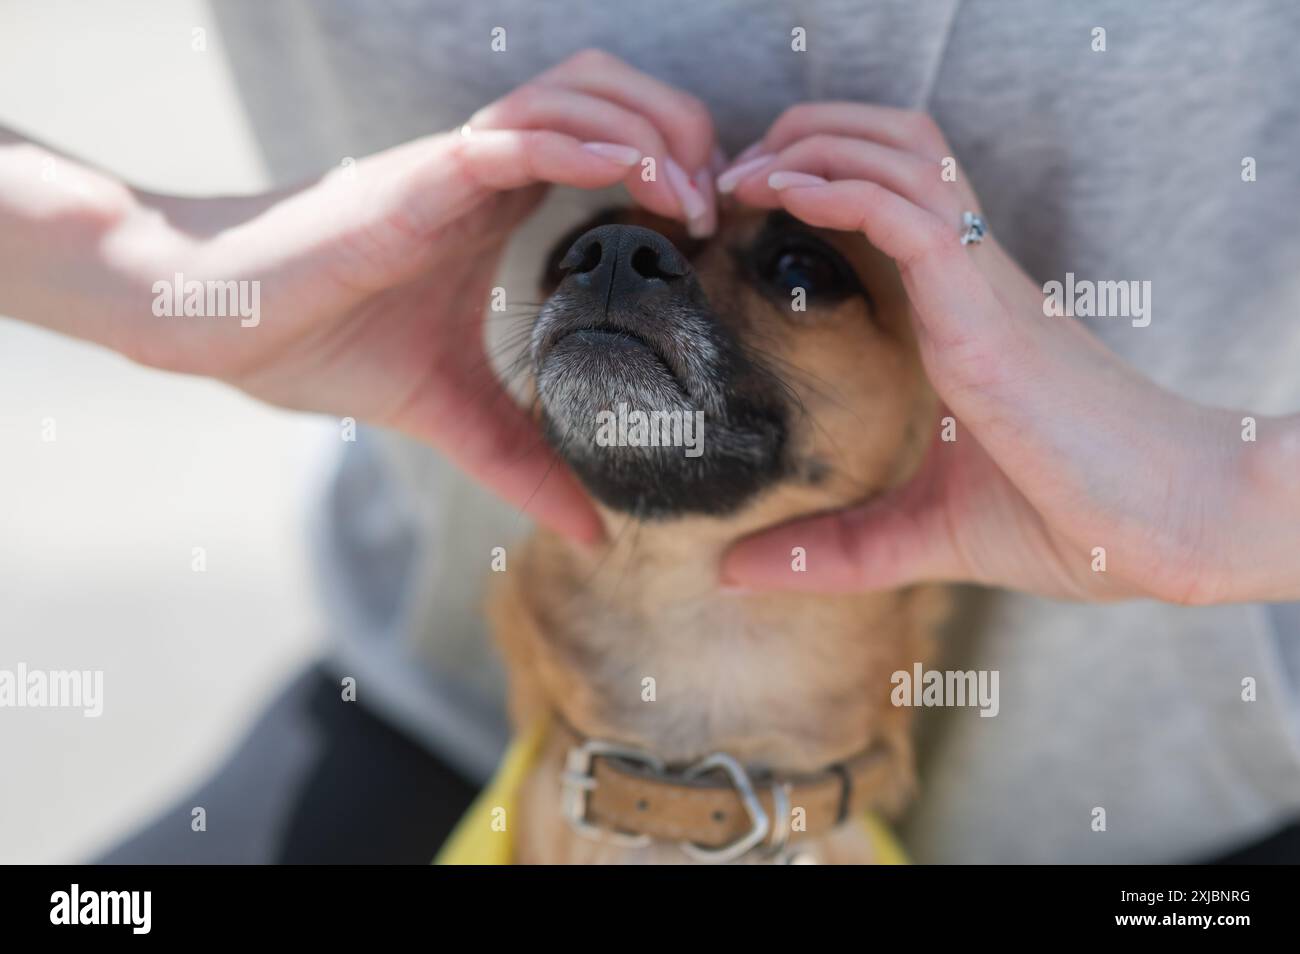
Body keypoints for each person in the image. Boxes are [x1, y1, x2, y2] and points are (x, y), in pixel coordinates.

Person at [4, 1, 1298, 863]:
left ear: (941, 416)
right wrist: (140, 263)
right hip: (439, 721)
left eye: (800, 277)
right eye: (589, 251)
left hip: (1188, 811)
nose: (624, 262)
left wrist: (1238, 496)